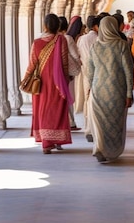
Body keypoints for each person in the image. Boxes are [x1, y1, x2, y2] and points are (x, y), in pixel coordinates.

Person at [85, 16, 134, 163]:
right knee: (115, 124)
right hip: (117, 91)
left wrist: (89, 89)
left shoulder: (95, 46)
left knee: (100, 123)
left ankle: (99, 148)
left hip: (98, 89)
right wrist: (128, 93)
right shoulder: (121, 45)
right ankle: (111, 151)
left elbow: (90, 71)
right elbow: (129, 70)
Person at [25, 13, 73, 154]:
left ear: (45, 26)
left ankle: (46, 143)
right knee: (57, 109)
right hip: (57, 81)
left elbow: (32, 64)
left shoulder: (37, 43)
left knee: (43, 109)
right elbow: (64, 62)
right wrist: (65, 79)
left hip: (41, 82)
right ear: (58, 26)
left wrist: (26, 78)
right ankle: (56, 139)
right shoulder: (61, 40)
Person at [76, 15, 101, 142]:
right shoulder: (99, 39)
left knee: (87, 99)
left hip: (85, 72)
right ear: (96, 26)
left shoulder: (82, 39)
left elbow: (77, 55)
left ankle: (88, 128)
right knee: (97, 101)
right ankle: (96, 129)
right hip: (98, 73)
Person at [65, 16, 83, 131]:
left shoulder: (60, 38)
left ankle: (70, 122)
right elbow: (76, 56)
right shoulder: (69, 39)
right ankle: (70, 123)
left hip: (60, 71)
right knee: (69, 97)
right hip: (69, 73)